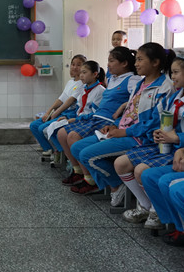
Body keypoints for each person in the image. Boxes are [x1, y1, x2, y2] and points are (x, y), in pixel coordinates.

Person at [116, 53, 184, 227]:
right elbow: (158, 118)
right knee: (121, 163)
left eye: (176, 72)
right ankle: (146, 205)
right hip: (166, 146)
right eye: (172, 72)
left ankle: (157, 210)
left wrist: (177, 138)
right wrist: (157, 133)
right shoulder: (175, 97)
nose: (172, 77)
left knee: (141, 170)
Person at [71, 43, 176, 198]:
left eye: (140, 59)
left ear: (155, 62)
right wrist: (114, 125)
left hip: (139, 138)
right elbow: (129, 111)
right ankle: (116, 183)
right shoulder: (140, 84)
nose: (136, 64)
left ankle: (116, 185)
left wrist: (124, 132)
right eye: (136, 59)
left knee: (87, 154)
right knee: (77, 147)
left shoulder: (164, 88)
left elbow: (154, 123)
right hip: (124, 131)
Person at [57, 47, 141, 193]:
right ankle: (79, 173)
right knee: (61, 133)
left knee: (73, 137)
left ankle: (92, 180)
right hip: (96, 117)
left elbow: (137, 101)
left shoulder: (132, 80)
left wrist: (123, 107)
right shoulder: (113, 79)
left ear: (124, 63)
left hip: (108, 121)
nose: (108, 65)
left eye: (111, 61)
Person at [50, 60, 106, 168]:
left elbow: (95, 114)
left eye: (84, 73)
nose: (81, 76)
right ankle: (75, 167)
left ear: (95, 74)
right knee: (60, 133)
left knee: (71, 136)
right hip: (81, 119)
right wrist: (68, 117)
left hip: (91, 121)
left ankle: (84, 172)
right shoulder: (84, 89)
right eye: (81, 73)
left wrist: (76, 120)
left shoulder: (100, 91)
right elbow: (79, 109)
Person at [30, 54, 85, 160]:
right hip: (62, 112)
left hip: (70, 114)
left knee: (43, 127)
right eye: (73, 64)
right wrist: (48, 112)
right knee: (34, 125)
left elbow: (69, 101)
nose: (75, 67)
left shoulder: (82, 84)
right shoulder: (70, 82)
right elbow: (61, 99)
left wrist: (55, 113)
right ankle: (48, 148)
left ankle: (61, 153)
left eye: (79, 65)